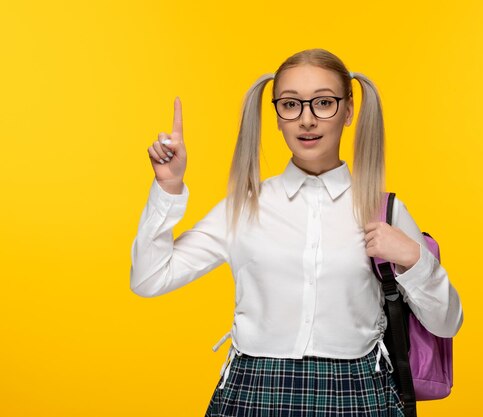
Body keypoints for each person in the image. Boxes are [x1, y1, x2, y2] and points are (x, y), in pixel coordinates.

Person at [130, 48, 463, 417]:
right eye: (291, 105)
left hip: (357, 394)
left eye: (323, 103)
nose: (307, 120)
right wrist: (168, 188)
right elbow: (149, 279)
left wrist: (415, 260)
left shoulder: (382, 210)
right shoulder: (243, 207)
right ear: (277, 116)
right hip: (255, 390)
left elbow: (447, 322)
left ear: (349, 110)